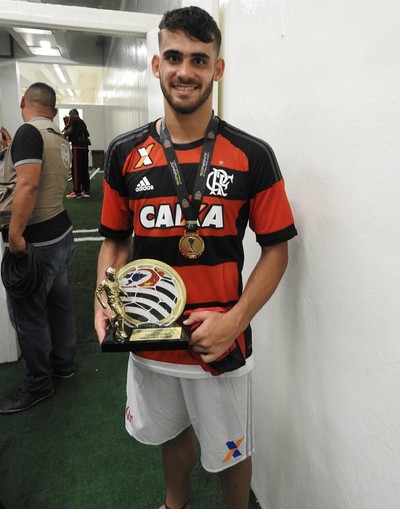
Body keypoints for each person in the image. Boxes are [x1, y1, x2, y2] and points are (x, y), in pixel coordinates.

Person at [94, 6, 297, 509]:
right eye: (174, 56)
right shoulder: (124, 153)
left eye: (200, 59)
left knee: (232, 450)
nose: (186, 70)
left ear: (217, 70)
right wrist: (105, 301)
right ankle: (174, 503)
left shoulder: (253, 155)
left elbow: (277, 250)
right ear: (156, 65)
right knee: (171, 433)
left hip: (220, 345)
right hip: (149, 338)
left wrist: (235, 320)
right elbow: (116, 241)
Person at [0, 82, 77, 414]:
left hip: (34, 241)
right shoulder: (59, 137)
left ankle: (38, 384)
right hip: (60, 231)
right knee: (58, 303)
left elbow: (29, 183)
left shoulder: (28, 133)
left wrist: (16, 236)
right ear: (55, 112)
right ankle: (63, 363)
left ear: (22, 102)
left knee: (29, 317)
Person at [63, 108, 91, 198]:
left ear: (72, 114)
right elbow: (87, 134)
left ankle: (77, 191)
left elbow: (70, 131)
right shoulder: (82, 122)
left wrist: (62, 135)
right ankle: (86, 190)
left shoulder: (73, 119)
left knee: (76, 169)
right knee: (84, 169)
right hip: (85, 147)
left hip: (77, 147)